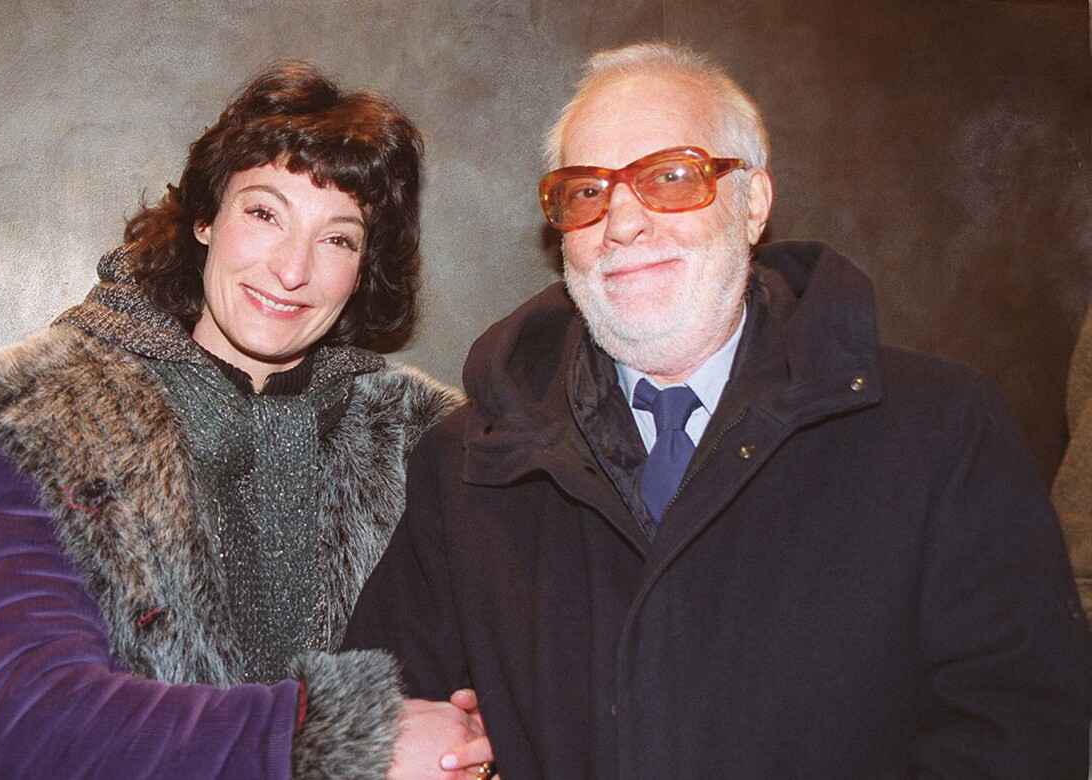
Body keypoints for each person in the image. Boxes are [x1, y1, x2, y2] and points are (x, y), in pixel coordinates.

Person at [343, 41, 1092, 778]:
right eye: (586, 192)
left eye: (671, 176)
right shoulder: (467, 464)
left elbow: (1020, 734)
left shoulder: (941, 432)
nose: (624, 223)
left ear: (753, 203)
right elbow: (379, 721)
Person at [0, 61, 495, 779]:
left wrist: (485, 726)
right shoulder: (38, 416)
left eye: (338, 238)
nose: (292, 269)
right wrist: (340, 740)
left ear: (363, 270)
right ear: (206, 218)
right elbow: (36, 725)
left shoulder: (420, 440)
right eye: (265, 213)